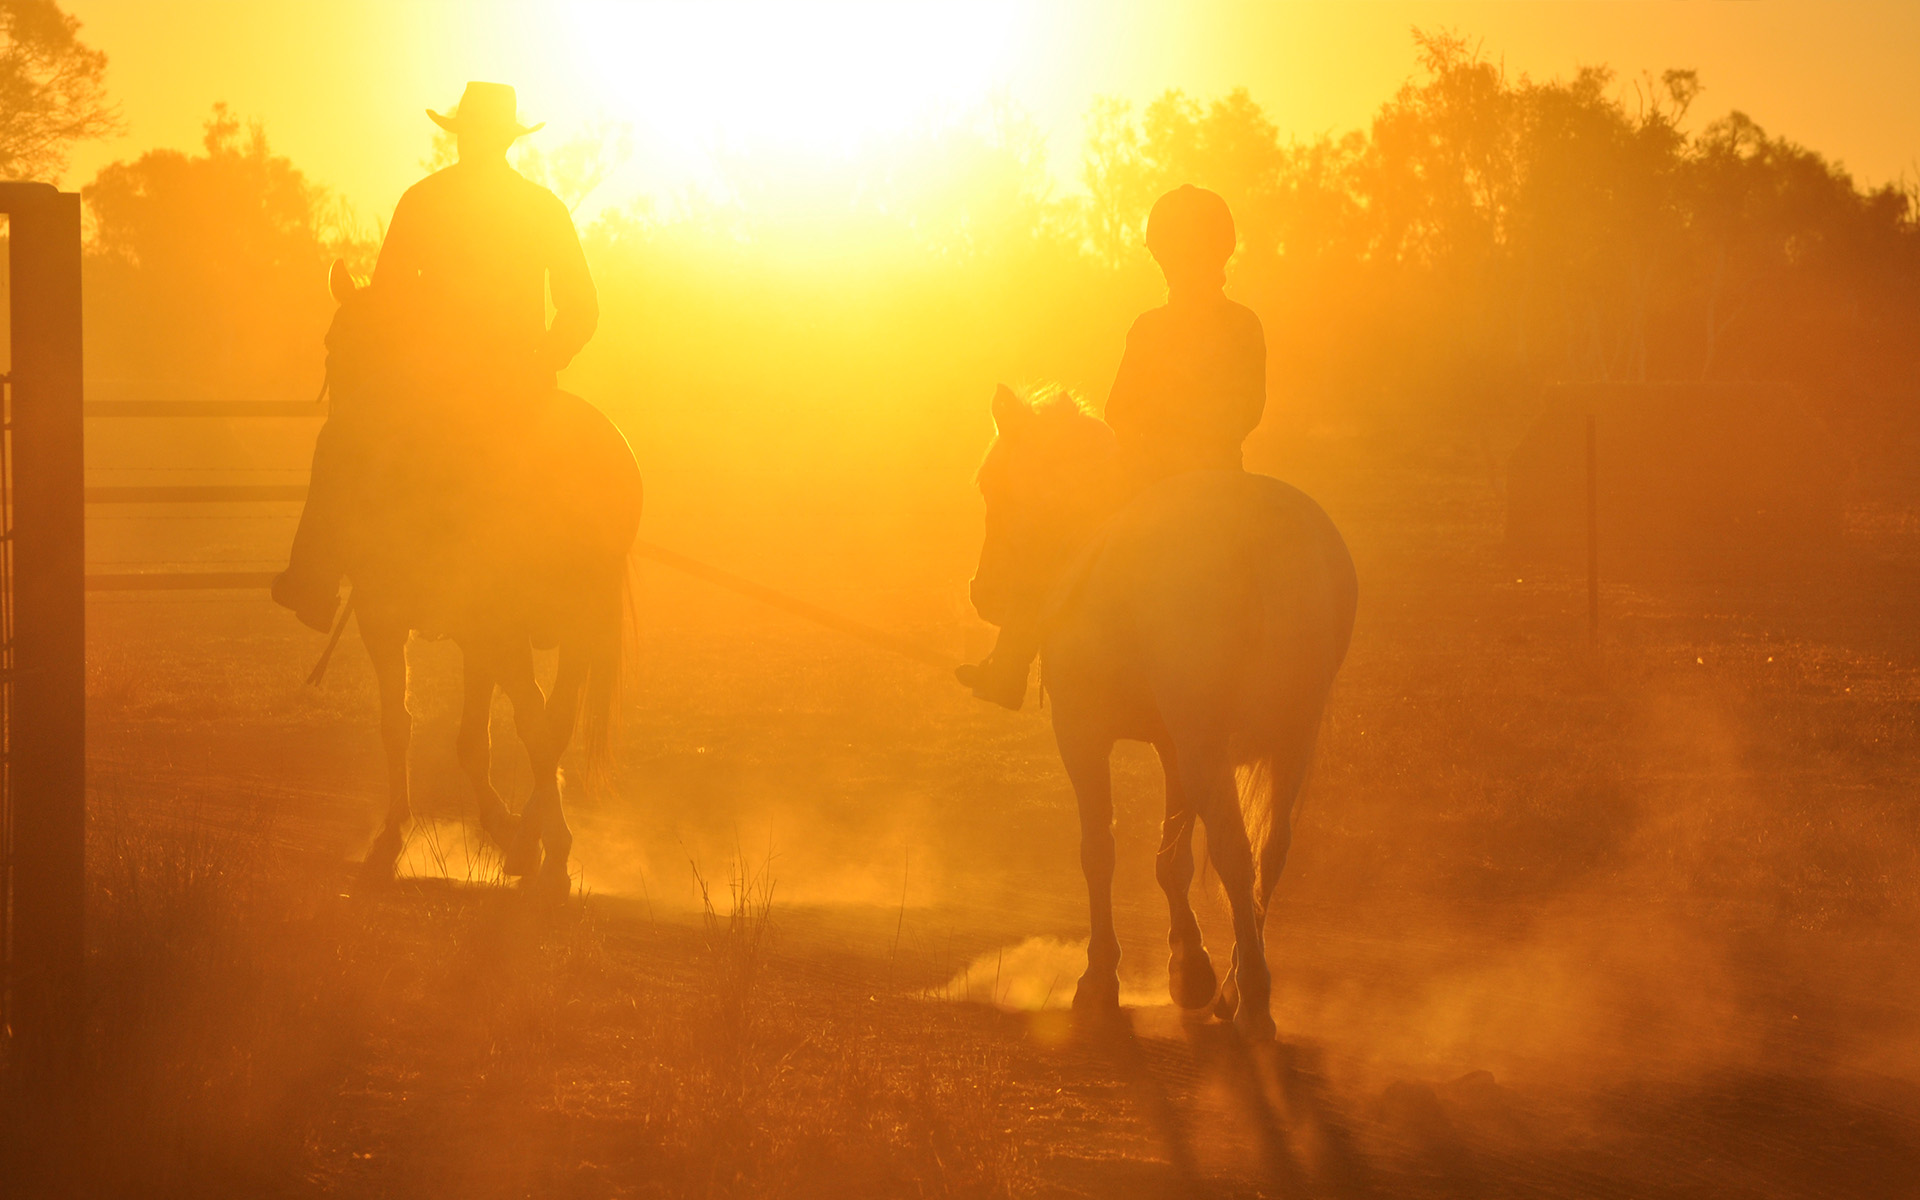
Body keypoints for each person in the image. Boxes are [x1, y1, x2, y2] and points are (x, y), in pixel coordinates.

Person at [271, 81, 599, 631]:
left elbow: (387, 304)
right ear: (508, 139)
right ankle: (559, 597)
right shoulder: (542, 208)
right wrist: (543, 360)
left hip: (431, 383)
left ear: (461, 135)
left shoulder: (423, 200)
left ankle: (313, 581)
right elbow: (582, 306)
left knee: (340, 442)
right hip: (519, 384)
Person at [956, 184, 1266, 709]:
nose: (1170, 267)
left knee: (1054, 534)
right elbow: (1248, 411)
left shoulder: (1150, 328)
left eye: (1169, 256)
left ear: (1167, 258)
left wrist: (1160, 436)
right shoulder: (1243, 323)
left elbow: (1120, 410)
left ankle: (1009, 667)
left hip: (1150, 479)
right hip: (1225, 481)